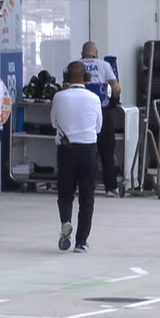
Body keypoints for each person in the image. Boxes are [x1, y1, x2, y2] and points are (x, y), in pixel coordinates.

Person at [50, 61, 102, 252]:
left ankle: (65, 221)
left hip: (67, 150)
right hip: (88, 149)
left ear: (66, 77)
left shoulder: (59, 97)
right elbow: (99, 127)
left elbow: (53, 123)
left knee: (65, 193)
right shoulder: (94, 98)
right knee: (87, 196)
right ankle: (81, 242)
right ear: (86, 78)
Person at [80, 42, 123, 197]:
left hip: (81, 112)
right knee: (107, 150)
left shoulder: (75, 66)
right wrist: (114, 100)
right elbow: (116, 88)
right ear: (96, 52)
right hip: (102, 111)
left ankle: (84, 186)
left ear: (82, 52)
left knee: (84, 149)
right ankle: (111, 187)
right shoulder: (104, 65)